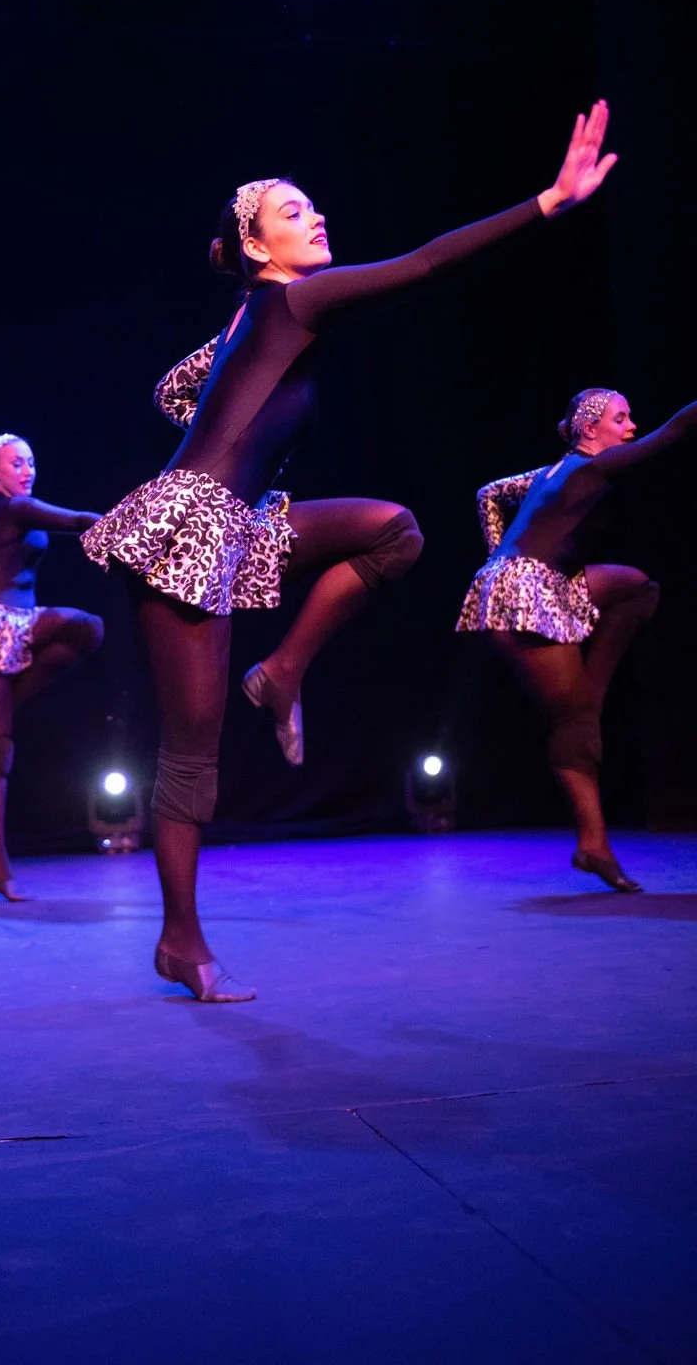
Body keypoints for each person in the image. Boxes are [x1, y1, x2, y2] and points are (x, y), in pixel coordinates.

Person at [82, 102, 618, 1001]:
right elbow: (426, 264)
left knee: (393, 531)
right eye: (293, 213)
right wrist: (548, 202)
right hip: (189, 525)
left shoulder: (256, 313)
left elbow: (173, 390)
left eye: (313, 206)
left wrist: (221, 408)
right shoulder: (294, 297)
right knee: (192, 750)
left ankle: (284, 672)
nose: (316, 217)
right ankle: (181, 941)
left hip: (237, 519)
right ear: (258, 247)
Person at [457, 387, 697, 891]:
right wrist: (507, 569)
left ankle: (591, 701)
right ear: (590, 431)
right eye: (621, 418)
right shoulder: (590, 467)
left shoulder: (551, 471)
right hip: (525, 591)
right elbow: (675, 431)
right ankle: (592, 842)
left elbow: (488, 493)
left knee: (636, 588)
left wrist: (497, 559)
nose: (631, 426)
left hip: (536, 581)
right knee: (574, 722)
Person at [0, 433, 103, 900]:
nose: (26, 470)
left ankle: (5, 704)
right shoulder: (8, 508)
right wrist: (125, 530)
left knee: (87, 628)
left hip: (20, 621)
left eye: (30, 462)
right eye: (16, 463)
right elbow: (74, 520)